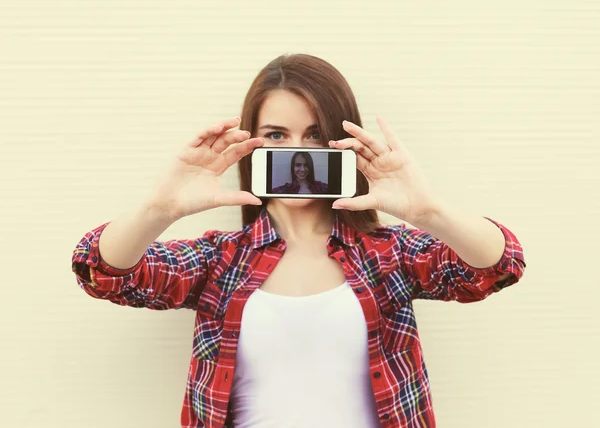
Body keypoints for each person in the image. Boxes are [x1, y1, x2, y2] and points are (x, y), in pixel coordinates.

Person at [71, 53, 526, 428]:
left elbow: (498, 265)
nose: (298, 154)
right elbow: (102, 272)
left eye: (315, 135)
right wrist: (160, 209)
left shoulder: (389, 254)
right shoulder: (219, 259)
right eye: (276, 136)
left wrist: (429, 212)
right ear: (252, 145)